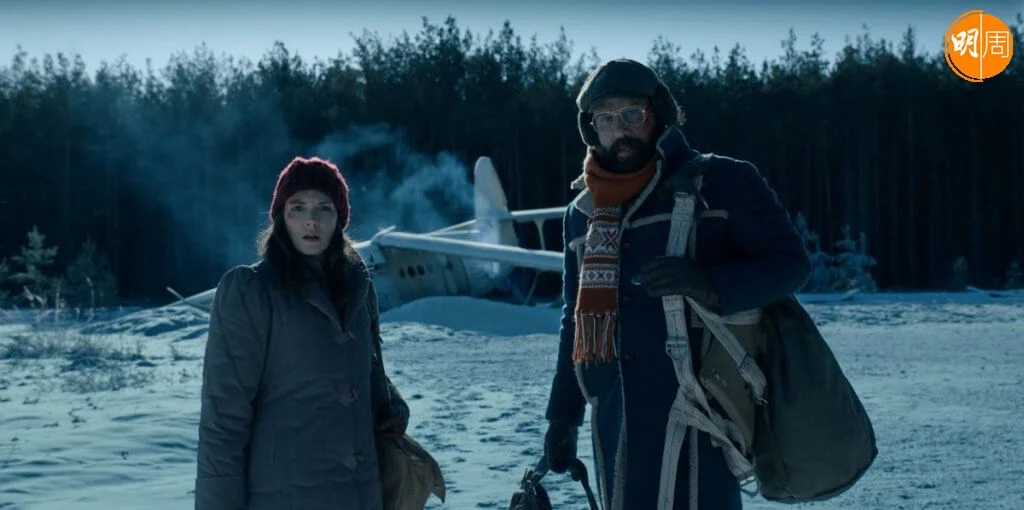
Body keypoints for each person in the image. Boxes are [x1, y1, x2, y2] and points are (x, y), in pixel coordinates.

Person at [542, 58, 812, 509]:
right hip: (616, 422)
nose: (619, 131)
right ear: (590, 129)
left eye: (632, 114)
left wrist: (709, 284)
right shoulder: (582, 214)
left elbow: (791, 265)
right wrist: (562, 417)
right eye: (605, 119)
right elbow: (576, 323)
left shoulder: (722, 182)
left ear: (659, 114)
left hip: (702, 418)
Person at [194, 156, 410, 509]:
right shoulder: (251, 292)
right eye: (299, 207)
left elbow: (365, 368)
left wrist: (391, 403)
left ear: (339, 218)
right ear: (282, 216)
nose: (312, 220)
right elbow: (223, 419)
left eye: (324, 207)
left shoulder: (357, 286)